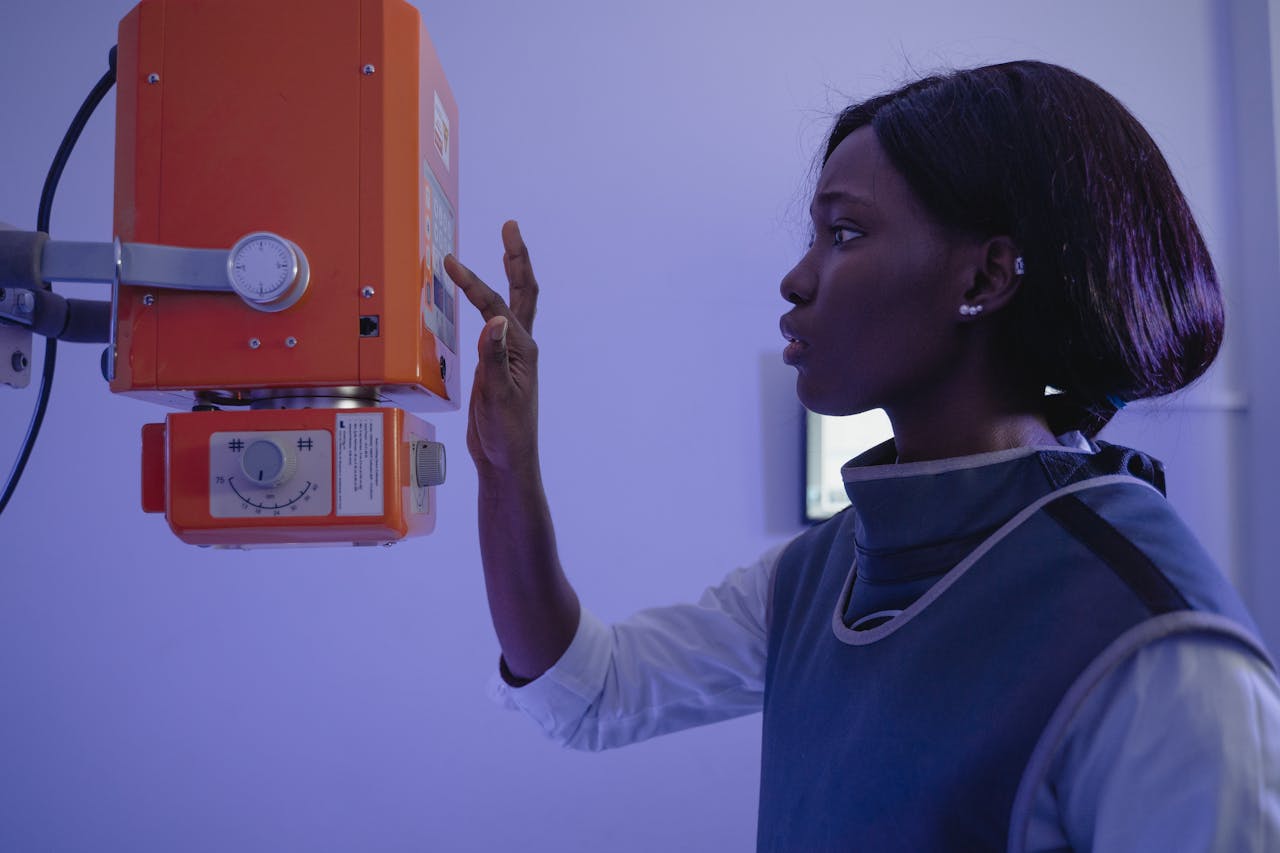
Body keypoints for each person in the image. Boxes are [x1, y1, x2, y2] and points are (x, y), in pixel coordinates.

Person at [442, 60, 1280, 852]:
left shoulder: (1160, 650)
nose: (796, 280)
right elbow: (587, 692)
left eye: (844, 232)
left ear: (985, 280)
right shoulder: (825, 575)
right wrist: (505, 466)